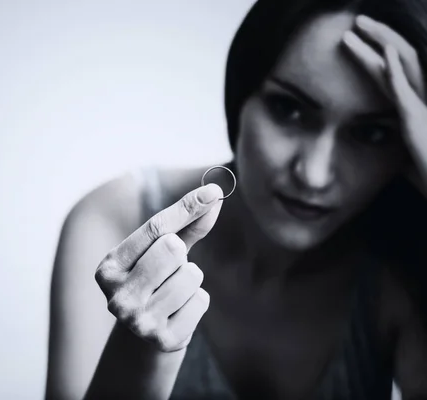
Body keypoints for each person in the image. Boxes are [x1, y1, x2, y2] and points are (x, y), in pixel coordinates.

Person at [45, 0, 427, 399]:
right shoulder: (116, 220)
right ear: (240, 95)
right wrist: (141, 350)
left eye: (372, 133)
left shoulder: (404, 265)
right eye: (289, 109)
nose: (314, 174)